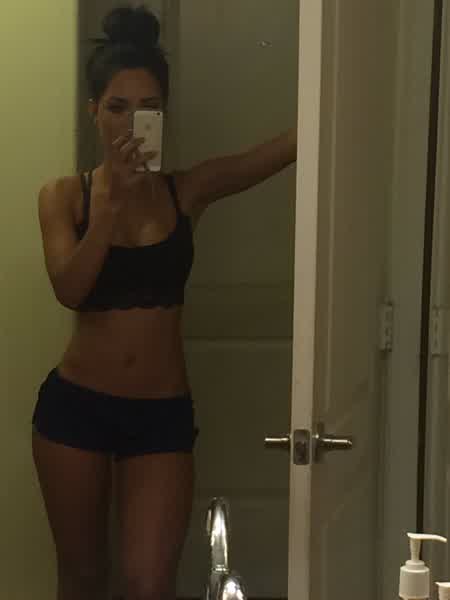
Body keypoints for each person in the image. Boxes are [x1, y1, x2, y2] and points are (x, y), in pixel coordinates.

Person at [31, 4, 297, 600]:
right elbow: (69, 289)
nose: (131, 121)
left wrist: (340, 96)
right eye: (117, 107)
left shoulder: (186, 190)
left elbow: (278, 152)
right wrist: (110, 211)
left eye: (148, 107)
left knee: (149, 584)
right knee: (81, 577)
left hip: (160, 416)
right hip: (75, 409)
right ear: (93, 110)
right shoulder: (63, 197)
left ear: (164, 113)